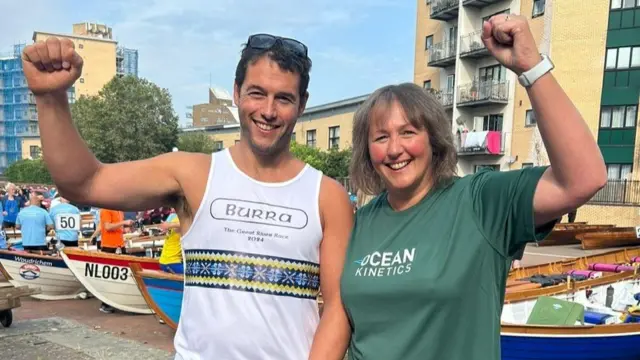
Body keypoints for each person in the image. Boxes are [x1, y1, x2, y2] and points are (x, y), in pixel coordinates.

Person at [21, 32, 353, 360]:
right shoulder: (193, 175)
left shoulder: (327, 197)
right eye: (256, 93)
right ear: (236, 93)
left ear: (302, 104)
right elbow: (83, 183)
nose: (268, 110)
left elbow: (337, 307)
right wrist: (51, 98)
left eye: (284, 98)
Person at [339, 15, 607, 360]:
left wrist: (531, 68)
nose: (394, 149)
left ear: (434, 140)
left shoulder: (481, 202)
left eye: (408, 133)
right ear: (367, 150)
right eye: (380, 137)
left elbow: (585, 178)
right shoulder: (360, 222)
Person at [158, 209, 183, 274]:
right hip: (172, 263)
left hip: (163, 261)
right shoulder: (182, 219)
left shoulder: (172, 217)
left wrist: (169, 225)